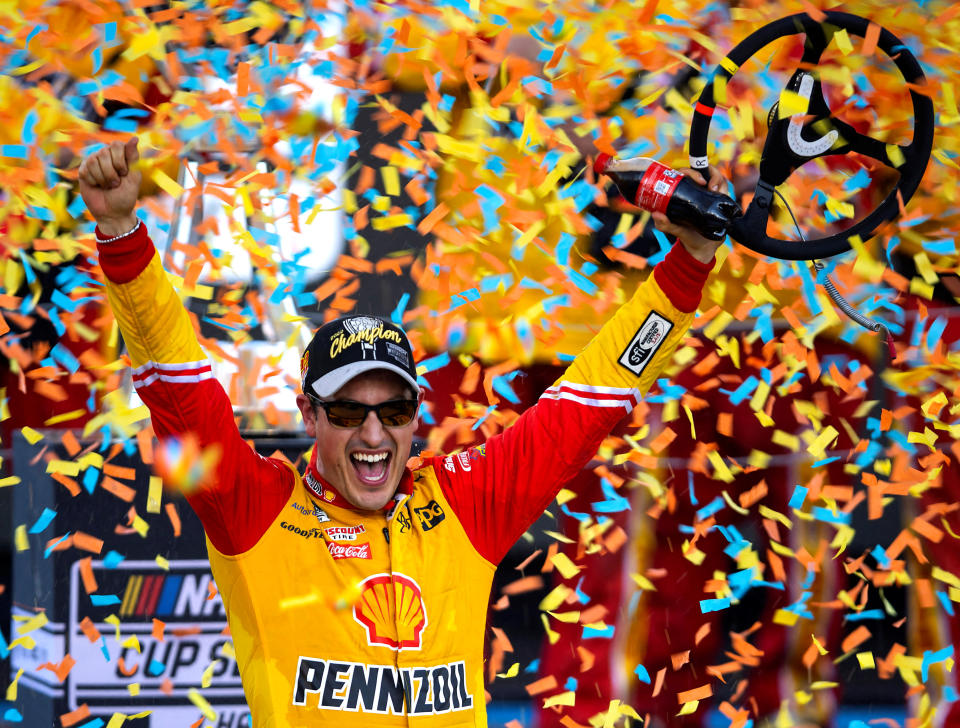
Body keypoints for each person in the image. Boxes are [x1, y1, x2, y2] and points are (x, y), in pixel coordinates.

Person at [79, 136, 727, 727]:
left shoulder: (462, 501)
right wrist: (122, 234)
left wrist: (688, 263)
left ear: (417, 415)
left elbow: (593, 399)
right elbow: (179, 391)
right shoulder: (255, 507)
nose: (372, 433)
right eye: (346, 411)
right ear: (308, 417)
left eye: (393, 411)